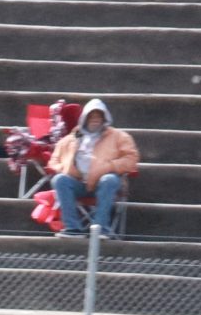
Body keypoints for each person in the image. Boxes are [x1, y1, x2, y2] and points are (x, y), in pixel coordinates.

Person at [50, 98, 138, 239]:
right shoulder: (70, 139)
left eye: (99, 116)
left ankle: (101, 228)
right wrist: (65, 169)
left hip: (104, 183)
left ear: (105, 118)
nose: (95, 119)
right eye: (91, 116)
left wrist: (109, 166)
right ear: (84, 119)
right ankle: (73, 228)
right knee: (60, 180)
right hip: (78, 182)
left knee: (109, 179)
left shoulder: (120, 136)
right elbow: (53, 160)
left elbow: (131, 159)